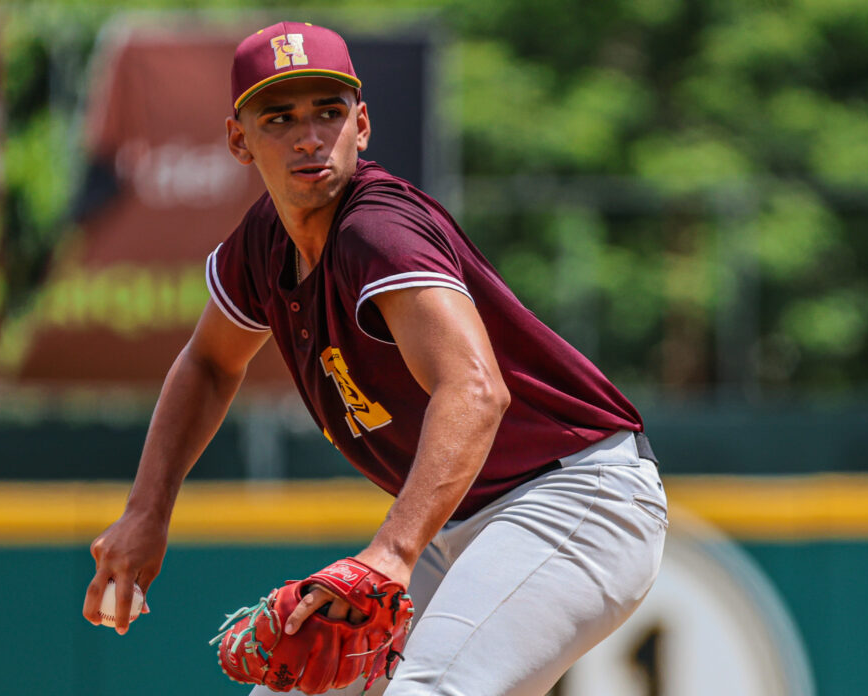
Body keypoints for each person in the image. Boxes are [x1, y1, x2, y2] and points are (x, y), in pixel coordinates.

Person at [83, 20, 668, 696]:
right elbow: (210, 364)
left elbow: (475, 391)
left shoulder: (379, 232)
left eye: (328, 112)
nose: (309, 136)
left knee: (429, 690)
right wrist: (147, 511)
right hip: (460, 519)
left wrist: (390, 554)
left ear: (361, 125)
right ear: (239, 140)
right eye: (279, 117)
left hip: (573, 496)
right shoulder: (263, 245)